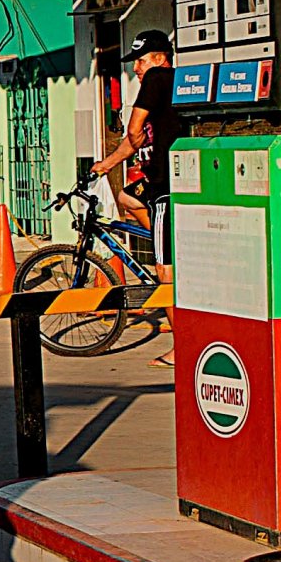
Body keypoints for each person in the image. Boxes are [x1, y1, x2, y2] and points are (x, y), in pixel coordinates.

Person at [89, 29, 178, 366]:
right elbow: (135, 141)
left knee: (164, 272)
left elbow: (134, 129)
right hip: (155, 185)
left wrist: (135, 128)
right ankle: (161, 238)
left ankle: (181, 346)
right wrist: (107, 164)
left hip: (166, 188)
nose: (136, 68)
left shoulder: (158, 77)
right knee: (128, 198)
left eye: (139, 61)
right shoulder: (164, 82)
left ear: (158, 58)